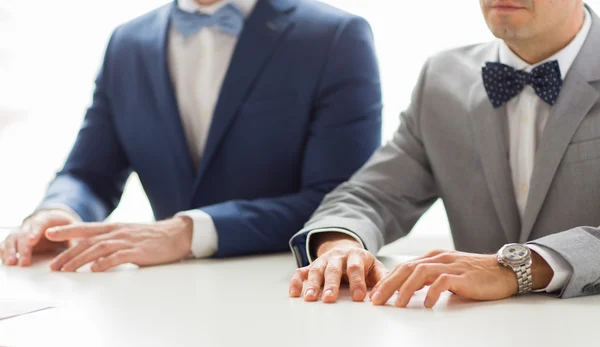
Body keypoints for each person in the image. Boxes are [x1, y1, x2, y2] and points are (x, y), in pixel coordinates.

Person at [0, 0, 382, 271]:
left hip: (285, 287)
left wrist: (188, 232)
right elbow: (88, 174)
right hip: (164, 296)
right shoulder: (127, 43)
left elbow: (340, 201)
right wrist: (59, 214)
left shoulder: (334, 37)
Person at [289, 0, 600, 307]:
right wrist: (342, 244)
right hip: (474, 328)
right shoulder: (444, 78)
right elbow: (372, 195)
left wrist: (517, 268)